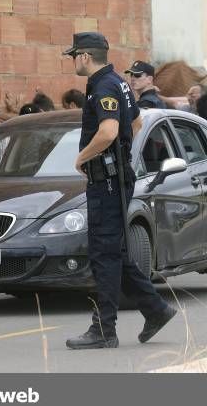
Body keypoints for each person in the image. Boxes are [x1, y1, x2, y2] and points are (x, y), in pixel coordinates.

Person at [62, 32, 176, 349]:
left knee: (103, 254)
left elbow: (109, 130)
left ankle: (104, 329)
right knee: (114, 252)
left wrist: (83, 157)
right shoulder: (119, 83)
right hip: (114, 177)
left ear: (85, 56)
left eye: (74, 56)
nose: (73, 61)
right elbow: (136, 123)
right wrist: (121, 156)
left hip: (107, 181)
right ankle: (156, 309)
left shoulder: (104, 86)